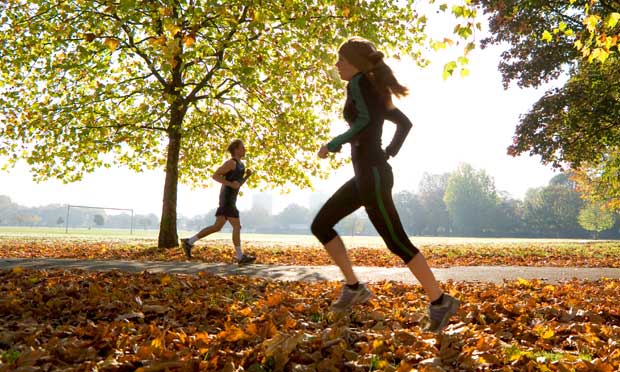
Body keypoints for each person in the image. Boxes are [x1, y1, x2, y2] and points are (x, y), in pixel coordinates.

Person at [311, 37, 460, 332]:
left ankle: (440, 301)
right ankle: (354, 288)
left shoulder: (358, 84)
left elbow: (365, 122)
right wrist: (389, 152)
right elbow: (403, 124)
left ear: (355, 62)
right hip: (369, 176)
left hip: (374, 177)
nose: (337, 64)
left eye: (341, 59)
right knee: (321, 225)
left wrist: (335, 143)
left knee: (397, 242)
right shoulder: (374, 88)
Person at [181, 140, 256, 265]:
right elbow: (215, 176)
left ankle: (189, 242)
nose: (245, 149)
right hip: (227, 198)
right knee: (237, 226)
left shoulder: (241, 165)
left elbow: (237, 185)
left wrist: (246, 177)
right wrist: (230, 183)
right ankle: (240, 257)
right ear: (236, 150)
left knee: (217, 227)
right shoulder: (231, 163)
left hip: (231, 198)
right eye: (242, 147)